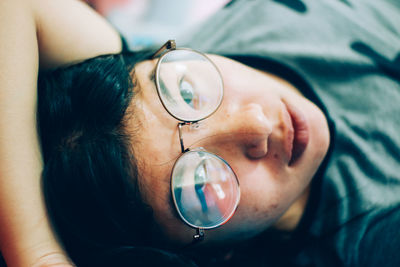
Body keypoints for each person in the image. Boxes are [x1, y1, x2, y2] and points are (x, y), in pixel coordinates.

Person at [1, 0, 400, 266]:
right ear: (215, 254)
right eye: (203, 186)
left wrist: (33, 250)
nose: (257, 125)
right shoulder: (370, 239)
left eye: (186, 92)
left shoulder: (157, 64)